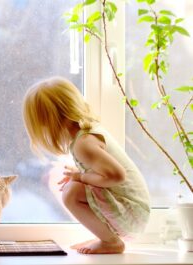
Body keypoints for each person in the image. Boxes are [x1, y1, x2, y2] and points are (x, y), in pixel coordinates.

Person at [22, 76, 150, 254]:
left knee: (71, 193)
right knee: (73, 186)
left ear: (49, 122)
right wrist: (82, 173)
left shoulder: (83, 144)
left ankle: (111, 242)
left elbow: (118, 176)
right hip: (134, 212)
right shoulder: (88, 133)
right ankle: (106, 237)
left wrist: (81, 176)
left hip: (132, 214)